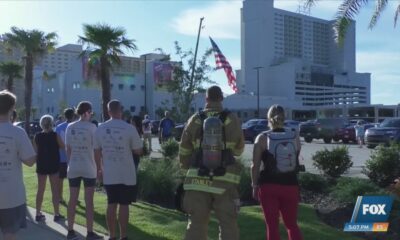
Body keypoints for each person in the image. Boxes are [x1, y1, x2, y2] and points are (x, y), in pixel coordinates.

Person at [179, 86, 244, 240]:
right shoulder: (231, 119)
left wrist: (186, 171)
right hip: (225, 182)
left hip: (197, 180)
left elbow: (184, 150)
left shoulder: (195, 119)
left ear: (206, 99)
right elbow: (238, 150)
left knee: (196, 225)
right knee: (228, 224)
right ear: (221, 98)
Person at [251, 104, 303, 240]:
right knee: (292, 225)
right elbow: (295, 158)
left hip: (269, 186)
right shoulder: (294, 136)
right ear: (284, 118)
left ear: (268, 118)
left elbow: (254, 166)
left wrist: (254, 186)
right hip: (291, 185)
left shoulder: (262, 138)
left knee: (272, 226)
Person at [94, 100, 143, 240]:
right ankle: (123, 236)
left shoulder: (100, 128)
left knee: (111, 203)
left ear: (108, 111)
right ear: (121, 110)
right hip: (127, 173)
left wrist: (99, 169)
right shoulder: (129, 128)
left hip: (109, 172)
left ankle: (112, 236)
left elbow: (96, 151)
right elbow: (138, 151)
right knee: (124, 205)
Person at [0, 90, 36, 240]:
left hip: (12, 194)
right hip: (11, 194)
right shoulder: (18, 133)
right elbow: (30, 161)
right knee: (10, 234)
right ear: (12, 108)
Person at [65, 101, 103, 240]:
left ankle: (70, 231)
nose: (91, 115)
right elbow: (96, 149)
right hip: (89, 167)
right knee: (89, 201)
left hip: (74, 166)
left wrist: (71, 163)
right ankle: (90, 232)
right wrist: (100, 168)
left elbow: (67, 148)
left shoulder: (70, 126)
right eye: (90, 112)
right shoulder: (93, 128)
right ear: (86, 112)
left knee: (72, 200)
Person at [33, 114, 65, 222]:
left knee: (40, 190)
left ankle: (37, 213)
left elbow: (35, 152)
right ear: (52, 124)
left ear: (41, 124)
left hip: (41, 164)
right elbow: (62, 146)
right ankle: (56, 214)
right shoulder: (55, 135)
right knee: (55, 190)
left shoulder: (37, 136)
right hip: (53, 164)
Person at [55, 108, 75, 205]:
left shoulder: (59, 127)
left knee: (61, 179)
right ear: (73, 115)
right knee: (73, 179)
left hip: (62, 157)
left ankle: (60, 197)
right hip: (73, 158)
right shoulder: (75, 127)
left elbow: (56, 142)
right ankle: (73, 197)